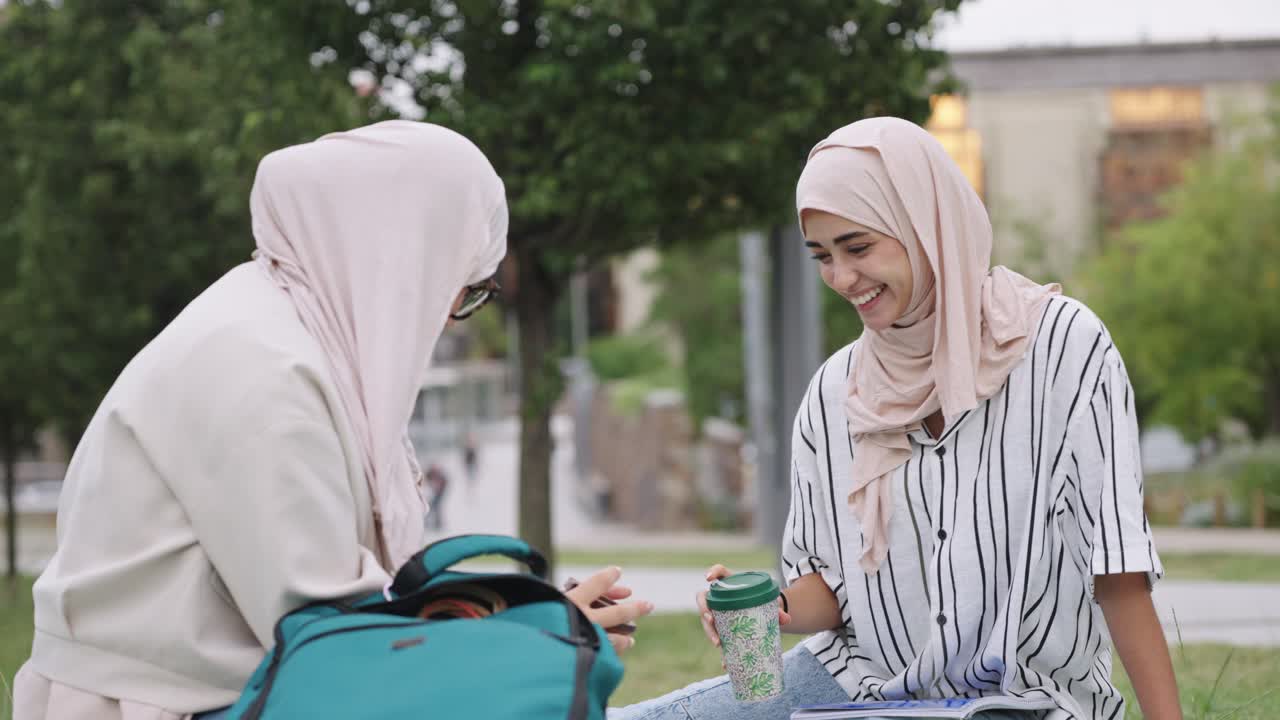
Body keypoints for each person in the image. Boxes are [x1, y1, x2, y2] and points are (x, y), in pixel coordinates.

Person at [13, 121, 652, 720]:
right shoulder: (262, 369)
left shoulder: (287, 338)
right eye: (464, 288)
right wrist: (534, 640)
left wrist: (533, 622)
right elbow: (334, 645)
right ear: (407, 261)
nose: (450, 313)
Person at [611, 117, 1180, 719]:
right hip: (853, 689)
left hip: (1021, 703)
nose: (841, 277)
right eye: (822, 256)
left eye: (858, 247)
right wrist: (768, 606)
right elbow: (829, 593)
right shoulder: (835, 390)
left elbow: (1118, 571)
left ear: (925, 225)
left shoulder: (1066, 348)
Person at [424, 463, 449, 530]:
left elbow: (445, 484)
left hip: (440, 492)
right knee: (432, 506)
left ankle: (438, 523)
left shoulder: (442, 476)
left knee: (436, 506)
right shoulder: (429, 474)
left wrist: (439, 490)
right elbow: (426, 481)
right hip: (434, 491)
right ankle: (430, 522)